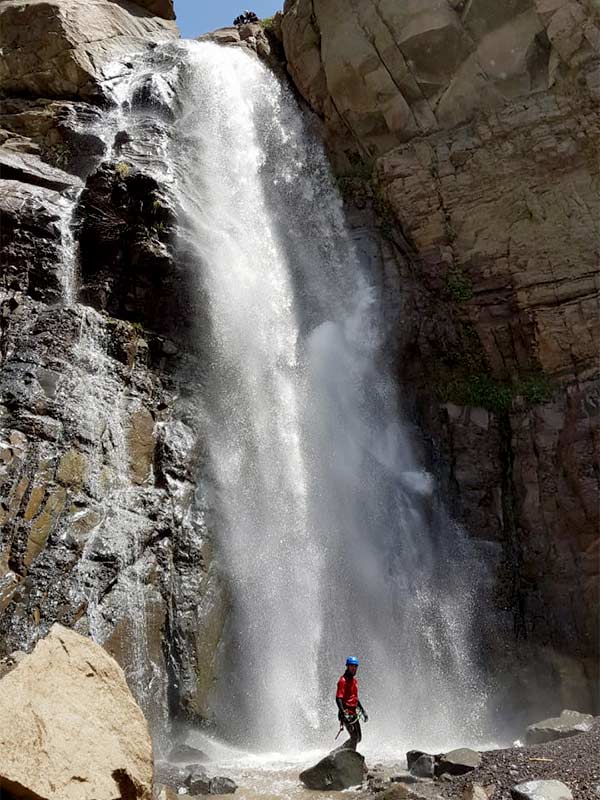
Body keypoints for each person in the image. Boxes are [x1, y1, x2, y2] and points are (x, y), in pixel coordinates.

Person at [335, 656, 368, 750]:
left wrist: (362, 711)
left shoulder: (354, 681)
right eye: (352, 666)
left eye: (355, 666)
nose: (354, 668)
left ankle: (340, 750)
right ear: (347, 666)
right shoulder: (342, 681)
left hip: (354, 713)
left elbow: (354, 698)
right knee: (354, 738)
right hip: (346, 713)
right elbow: (338, 698)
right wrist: (343, 713)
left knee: (358, 738)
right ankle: (351, 759)